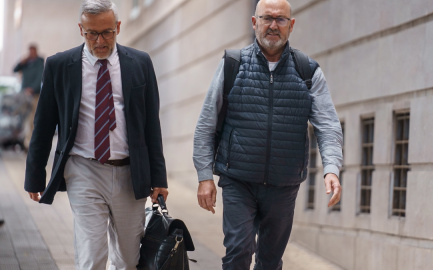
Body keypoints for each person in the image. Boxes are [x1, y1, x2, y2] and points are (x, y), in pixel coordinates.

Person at [193, 0, 343, 269]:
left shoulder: (307, 71)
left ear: (291, 25)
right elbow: (206, 124)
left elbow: (328, 124)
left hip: (283, 186)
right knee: (239, 250)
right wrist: (205, 176)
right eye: (267, 18)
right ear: (255, 22)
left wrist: (331, 168)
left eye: (281, 19)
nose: (273, 25)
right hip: (239, 180)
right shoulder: (232, 65)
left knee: (270, 260)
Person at [24, 0, 168, 269]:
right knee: (92, 254)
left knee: (128, 259)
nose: (100, 41)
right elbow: (43, 124)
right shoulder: (59, 65)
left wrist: (159, 177)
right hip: (84, 170)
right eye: (92, 33)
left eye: (107, 32)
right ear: (81, 30)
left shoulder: (140, 63)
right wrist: (35, 174)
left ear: (118, 27)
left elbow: (151, 125)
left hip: (130, 172)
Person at [13, 44, 44, 151]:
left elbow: (40, 77)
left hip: (34, 95)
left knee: (32, 119)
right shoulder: (26, 63)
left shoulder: (40, 63)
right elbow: (15, 69)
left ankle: (30, 142)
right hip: (24, 95)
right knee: (22, 118)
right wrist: (22, 61)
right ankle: (22, 140)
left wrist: (32, 89)